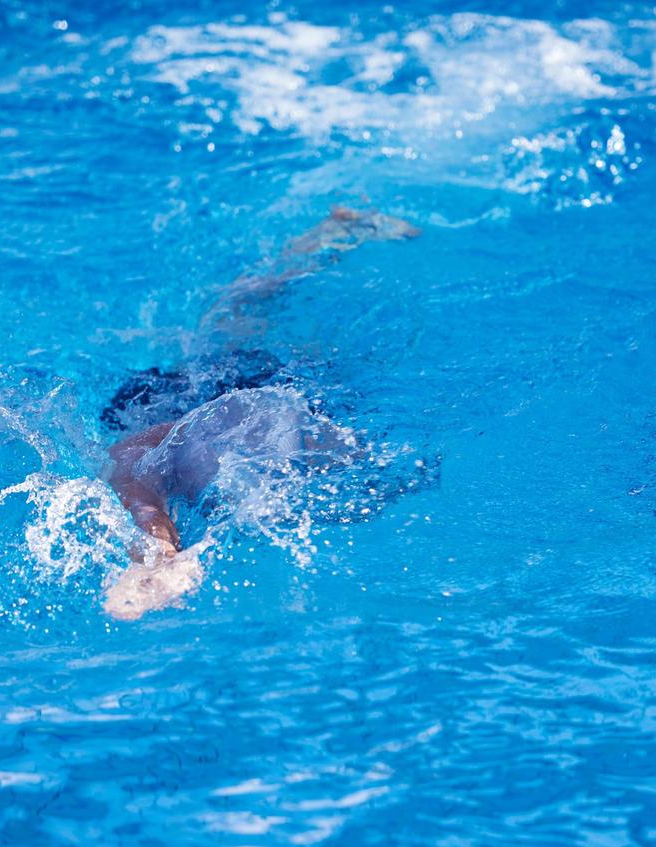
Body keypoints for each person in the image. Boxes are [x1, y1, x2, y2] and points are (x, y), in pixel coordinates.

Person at [101, 206, 419, 618]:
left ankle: (336, 232)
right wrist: (158, 551)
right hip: (191, 399)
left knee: (238, 320)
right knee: (236, 316)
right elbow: (125, 459)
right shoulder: (198, 436)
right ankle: (330, 233)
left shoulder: (318, 440)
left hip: (265, 392)